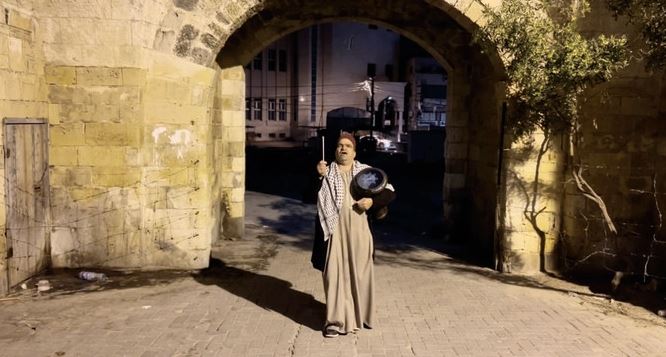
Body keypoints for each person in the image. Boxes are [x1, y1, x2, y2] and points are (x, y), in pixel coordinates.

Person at [311, 132, 395, 337]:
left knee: (360, 273)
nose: (343, 148)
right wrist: (318, 175)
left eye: (348, 145)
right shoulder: (326, 171)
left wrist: (372, 202)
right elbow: (307, 194)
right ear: (335, 150)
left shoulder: (365, 172)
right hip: (333, 232)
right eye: (340, 145)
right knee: (334, 275)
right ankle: (334, 321)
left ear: (354, 151)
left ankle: (361, 316)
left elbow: (390, 192)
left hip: (359, 230)